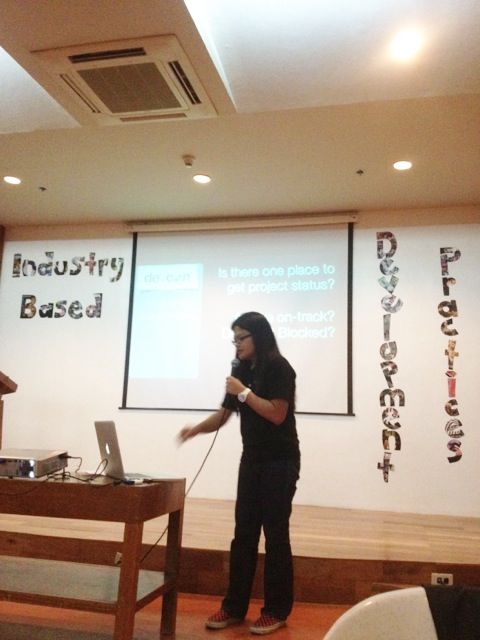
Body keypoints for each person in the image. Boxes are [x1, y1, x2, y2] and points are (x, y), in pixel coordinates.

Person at [178, 311, 300, 636]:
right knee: (243, 534)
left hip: (280, 462)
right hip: (252, 460)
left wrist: (244, 392)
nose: (237, 344)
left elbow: (277, 414)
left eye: (241, 338)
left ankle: (275, 611)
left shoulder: (280, 368)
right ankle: (234, 607)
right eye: (234, 339)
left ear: (258, 336)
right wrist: (195, 430)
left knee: (275, 535)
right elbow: (224, 415)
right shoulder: (241, 370)